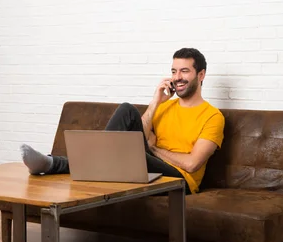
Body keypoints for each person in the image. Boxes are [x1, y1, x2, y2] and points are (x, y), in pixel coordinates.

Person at [20, 47, 225, 195]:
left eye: (184, 71)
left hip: (180, 180)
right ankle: (54, 163)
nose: (177, 77)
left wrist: (154, 150)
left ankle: (52, 163)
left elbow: (191, 164)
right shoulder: (165, 106)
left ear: (201, 75)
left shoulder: (212, 116)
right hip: (150, 165)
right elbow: (140, 138)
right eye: (173, 71)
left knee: (124, 154)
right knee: (127, 110)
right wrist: (155, 102)